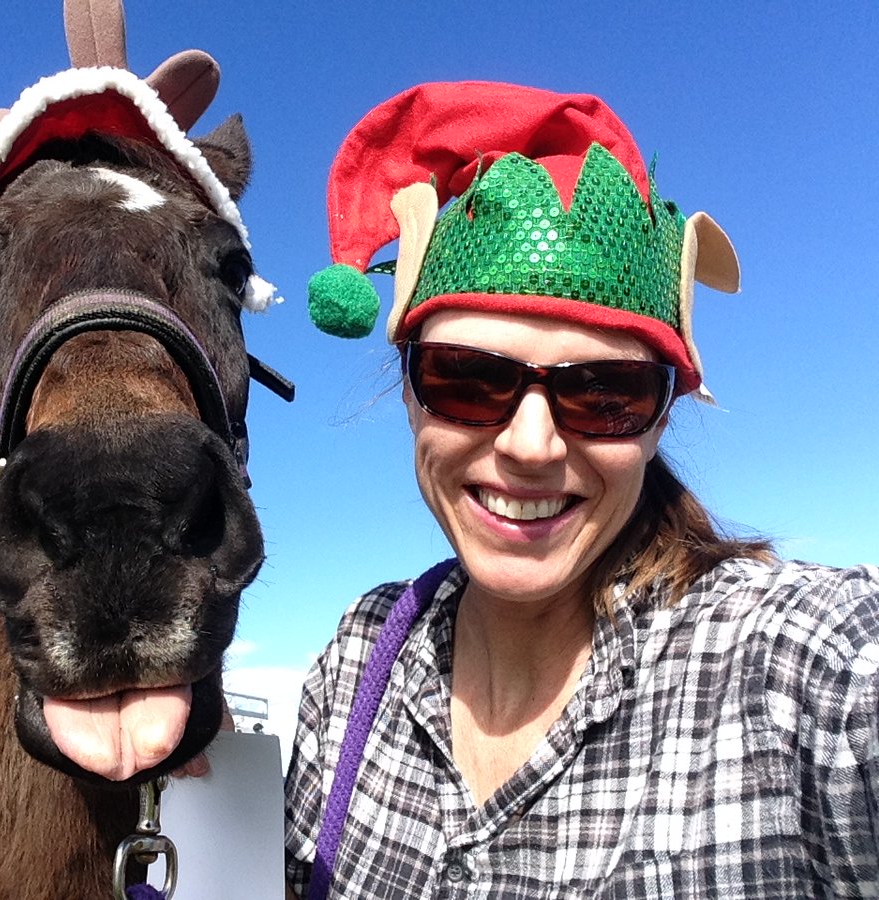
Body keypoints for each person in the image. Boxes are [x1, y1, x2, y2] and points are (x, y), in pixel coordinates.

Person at [287, 81, 879, 898]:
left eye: (606, 394)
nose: (530, 446)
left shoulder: (804, 664)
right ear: (412, 394)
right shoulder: (357, 664)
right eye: (469, 379)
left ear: (661, 418)